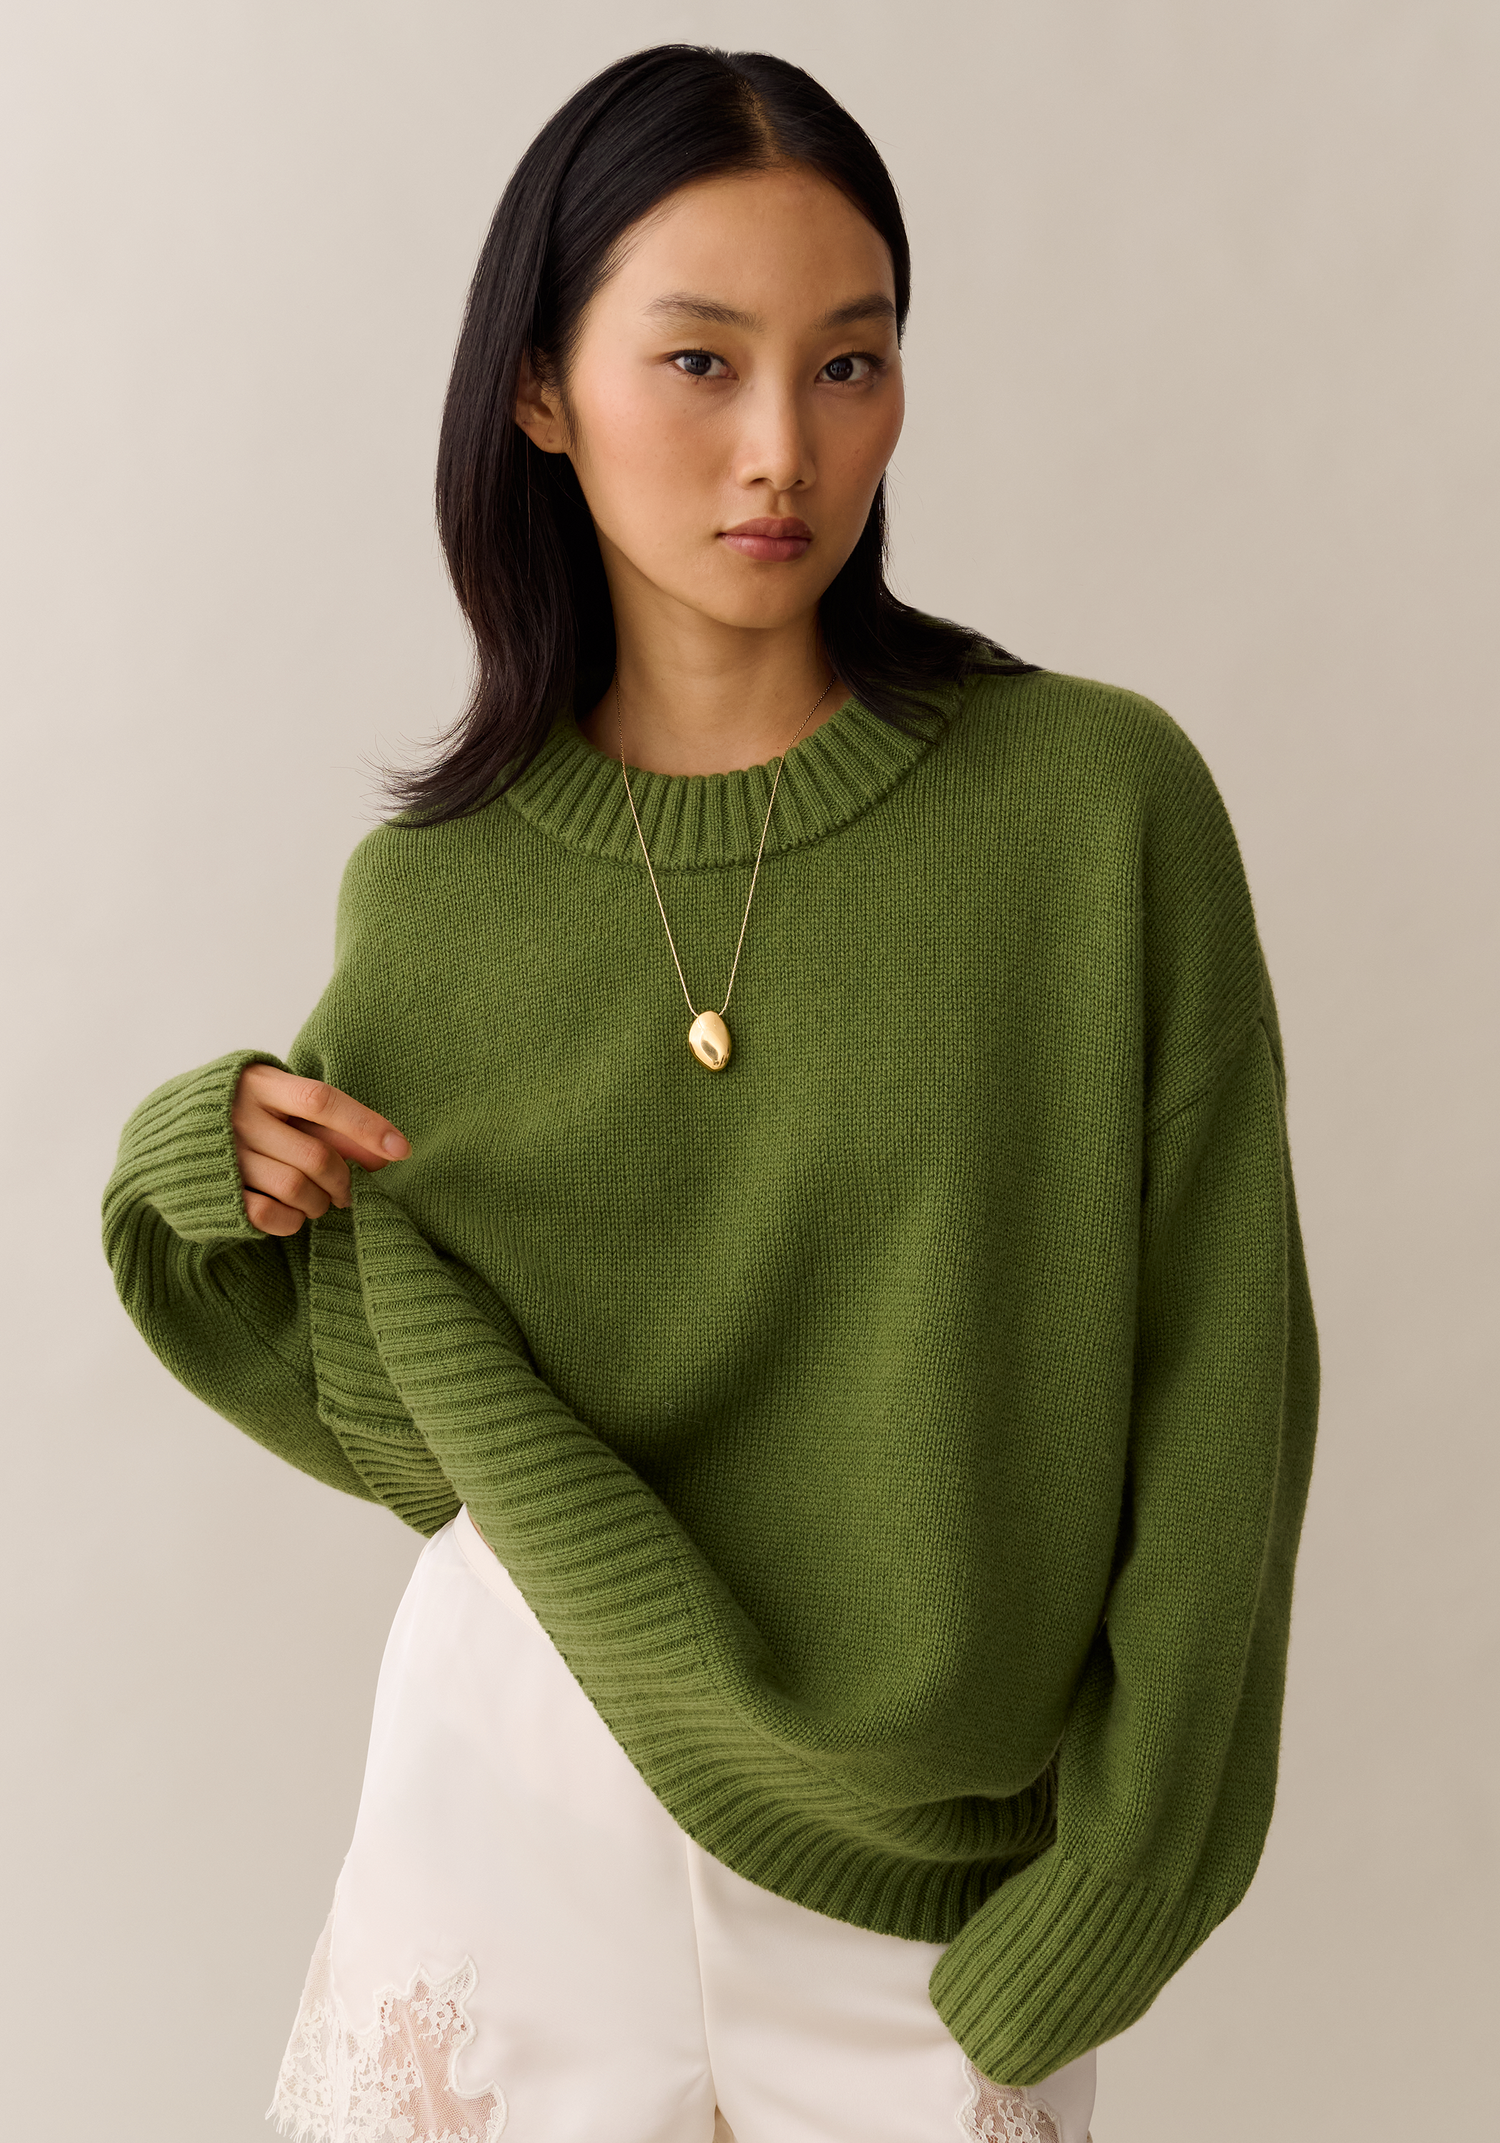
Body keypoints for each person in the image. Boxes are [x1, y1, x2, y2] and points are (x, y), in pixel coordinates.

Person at [102, 44, 1319, 2143]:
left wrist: (1125, 1890)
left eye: (849, 364)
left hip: (929, 1898)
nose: (783, 448)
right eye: (699, 362)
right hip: (515, 1809)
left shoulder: (1095, 810)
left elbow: (1230, 1390)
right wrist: (200, 1167)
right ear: (539, 391)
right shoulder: (440, 900)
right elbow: (413, 1421)